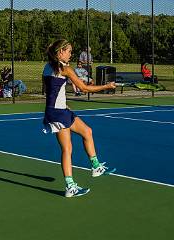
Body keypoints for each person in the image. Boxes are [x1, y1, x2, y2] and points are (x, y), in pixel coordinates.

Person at [42, 39, 116, 198]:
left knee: (87, 131)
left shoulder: (46, 67)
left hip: (58, 110)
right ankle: (70, 187)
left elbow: (50, 91)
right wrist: (107, 86)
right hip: (58, 113)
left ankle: (96, 167)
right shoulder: (65, 69)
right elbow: (84, 88)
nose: (70, 54)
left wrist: (63, 104)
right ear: (60, 52)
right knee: (67, 149)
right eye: (68, 51)